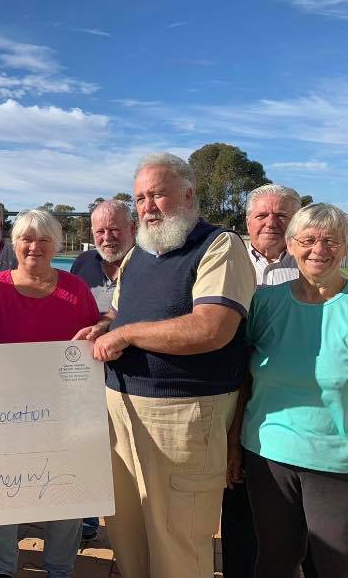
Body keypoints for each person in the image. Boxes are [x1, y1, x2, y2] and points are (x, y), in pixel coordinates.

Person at [76, 153, 256, 578]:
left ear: (189, 195)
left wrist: (124, 335)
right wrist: (101, 327)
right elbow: (119, 316)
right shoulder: (137, 255)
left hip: (184, 419)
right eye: (140, 198)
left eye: (157, 195)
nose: (147, 207)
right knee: (128, 534)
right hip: (122, 412)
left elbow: (211, 327)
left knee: (178, 543)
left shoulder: (219, 246)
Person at [228, 203, 348, 578]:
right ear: (292, 245)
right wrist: (233, 443)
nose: (320, 249)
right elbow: (244, 379)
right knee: (275, 560)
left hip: (337, 462)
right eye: (309, 240)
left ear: (346, 247)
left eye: (332, 240)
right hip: (267, 454)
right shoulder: (266, 303)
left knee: (336, 565)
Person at [0, 208, 100, 578]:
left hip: (65, 412)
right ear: (14, 244)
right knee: (3, 489)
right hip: (3, 413)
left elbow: (93, 345)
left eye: (45, 240)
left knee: (67, 490)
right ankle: (1, 568)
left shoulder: (75, 290)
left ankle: (59, 568)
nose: (35, 246)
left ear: (57, 245)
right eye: (27, 238)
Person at [222, 183, 303, 578]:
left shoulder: (310, 262)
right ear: (248, 222)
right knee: (237, 505)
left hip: (288, 396)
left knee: (293, 522)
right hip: (232, 391)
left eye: (281, 215)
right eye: (262, 215)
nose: (271, 222)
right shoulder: (225, 260)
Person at [69, 198, 136, 543]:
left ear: (132, 229)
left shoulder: (145, 263)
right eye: (100, 230)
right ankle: (87, 513)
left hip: (132, 374)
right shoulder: (82, 263)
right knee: (87, 444)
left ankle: (127, 519)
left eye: (114, 229)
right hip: (86, 373)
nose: (107, 236)